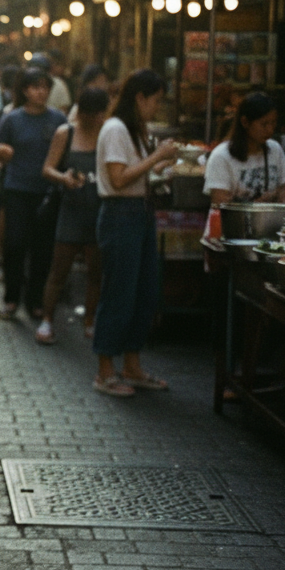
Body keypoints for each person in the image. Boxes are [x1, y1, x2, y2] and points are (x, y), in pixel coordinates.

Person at [92, 69, 178, 397]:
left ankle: (132, 365)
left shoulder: (134, 129)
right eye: (155, 100)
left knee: (144, 293)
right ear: (140, 98)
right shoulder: (116, 128)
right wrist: (157, 157)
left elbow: (135, 173)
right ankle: (105, 370)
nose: (157, 108)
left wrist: (159, 167)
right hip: (120, 215)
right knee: (119, 293)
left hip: (140, 213)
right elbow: (118, 179)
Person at [35, 87, 109, 345]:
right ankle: (47, 320)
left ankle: (90, 320)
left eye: (102, 114)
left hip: (99, 211)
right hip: (71, 211)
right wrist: (64, 178)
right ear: (83, 112)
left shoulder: (107, 133)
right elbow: (47, 169)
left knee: (96, 272)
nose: (98, 119)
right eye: (93, 114)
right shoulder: (65, 133)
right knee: (59, 270)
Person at [0, 67, 67, 320]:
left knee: (42, 249)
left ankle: (35, 300)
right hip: (17, 190)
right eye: (36, 87)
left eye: (45, 87)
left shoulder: (58, 120)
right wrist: (2, 151)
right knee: (14, 245)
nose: (41, 92)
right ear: (25, 90)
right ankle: (11, 298)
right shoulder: (12, 119)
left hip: (47, 192)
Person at [204, 92, 285, 206]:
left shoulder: (275, 149)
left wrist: (284, 200)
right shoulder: (221, 156)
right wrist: (255, 206)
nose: (270, 130)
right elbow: (220, 203)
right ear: (245, 122)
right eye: (264, 124)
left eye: (273, 123)